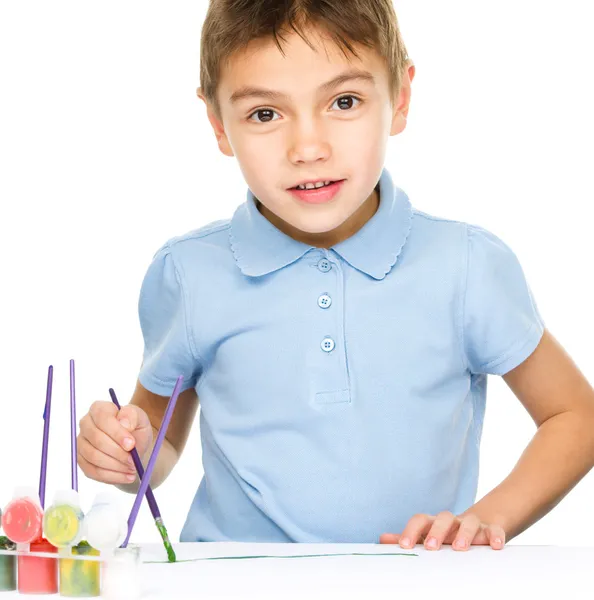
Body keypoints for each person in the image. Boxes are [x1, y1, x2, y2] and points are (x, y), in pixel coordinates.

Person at [77, 0, 594, 551]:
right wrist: (122, 451)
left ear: (400, 99)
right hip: (233, 585)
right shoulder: (187, 272)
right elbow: (156, 454)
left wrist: (486, 519)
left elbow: (575, 416)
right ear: (218, 125)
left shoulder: (466, 266)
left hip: (409, 586)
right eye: (265, 114)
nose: (308, 149)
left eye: (344, 102)